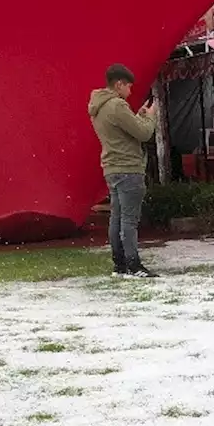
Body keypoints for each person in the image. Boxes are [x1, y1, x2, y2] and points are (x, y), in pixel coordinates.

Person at [89, 62, 159, 277]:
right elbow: (144, 133)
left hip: (112, 167)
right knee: (129, 221)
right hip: (129, 167)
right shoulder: (117, 106)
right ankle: (134, 265)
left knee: (116, 218)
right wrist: (150, 115)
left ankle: (119, 264)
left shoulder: (98, 106)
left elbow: (124, 130)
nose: (130, 91)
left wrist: (137, 116)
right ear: (119, 84)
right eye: (129, 86)